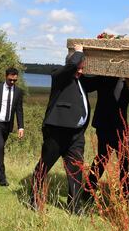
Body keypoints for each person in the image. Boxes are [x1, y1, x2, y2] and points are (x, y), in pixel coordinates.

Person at [30, 44, 99, 212]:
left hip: (76, 135)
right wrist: (79, 52)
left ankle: (74, 206)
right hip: (57, 132)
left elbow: (102, 79)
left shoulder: (80, 81)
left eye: (83, 67)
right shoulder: (59, 76)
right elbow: (71, 66)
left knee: (76, 171)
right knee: (44, 166)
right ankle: (34, 200)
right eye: (80, 67)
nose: (82, 71)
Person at [86, 76, 129, 199]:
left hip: (121, 129)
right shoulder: (103, 78)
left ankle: (125, 195)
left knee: (126, 162)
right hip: (104, 127)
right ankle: (88, 190)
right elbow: (88, 85)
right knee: (102, 160)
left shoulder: (127, 82)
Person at [0, 67, 25, 187]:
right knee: (0, 146)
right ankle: (2, 178)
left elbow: (19, 110)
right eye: (10, 80)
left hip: (7, 125)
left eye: (15, 80)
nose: (12, 82)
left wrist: (21, 127)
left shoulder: (18, 91)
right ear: (6, 76)